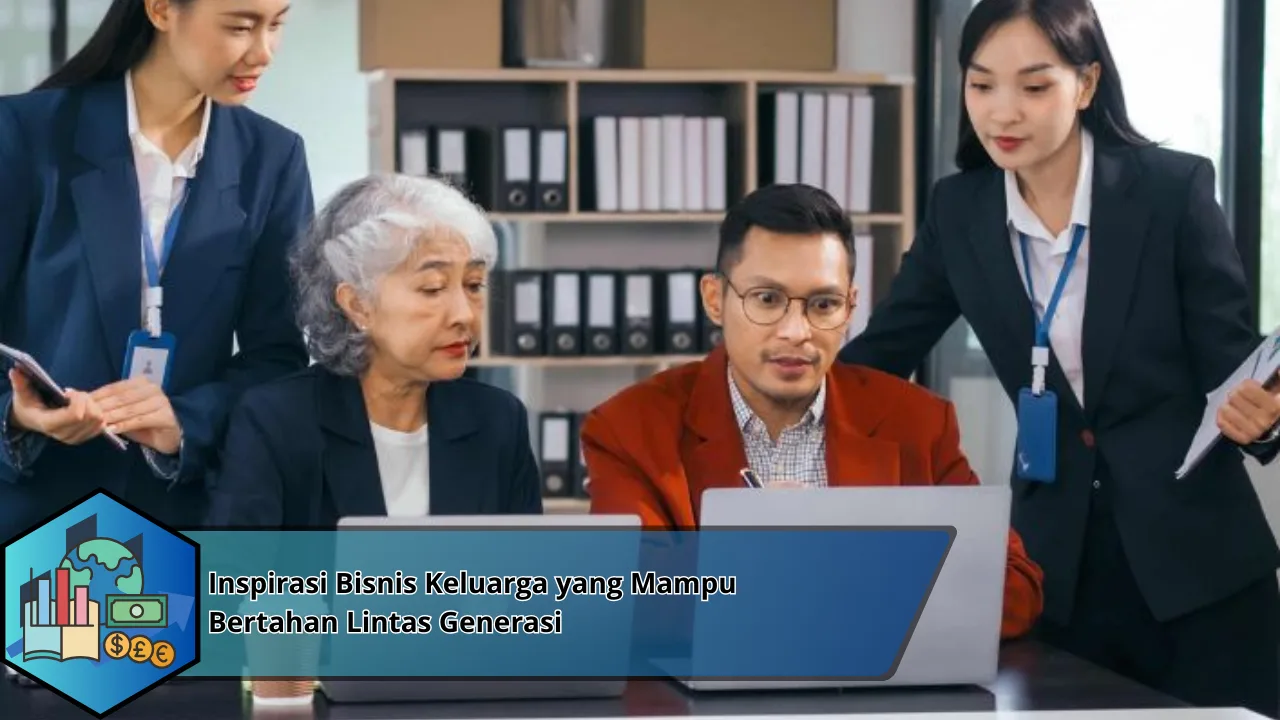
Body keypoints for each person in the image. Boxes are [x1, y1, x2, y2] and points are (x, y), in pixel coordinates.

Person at [839, 0, 1280, 714]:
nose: (1002, 111)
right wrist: (769, 403)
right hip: (1057, 571)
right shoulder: (961, 211)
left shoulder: (1170, 191)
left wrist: (1263, 414)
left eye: (1034, 86)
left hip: (1198, 567)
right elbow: (878, 358)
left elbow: (1232, 361)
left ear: (1087, 83)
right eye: (981, 84)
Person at [581, 183, 1044, 640]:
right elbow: (622, 597)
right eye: (767, 299)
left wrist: (833, 561)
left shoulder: (917, 422)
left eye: (823, 305)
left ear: (851, 307)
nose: (796, 332)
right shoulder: (630, 428)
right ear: (715, 299)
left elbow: (1015, 590)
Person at [0, 0, 311, 542]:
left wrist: (186, 421)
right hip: (31, 518)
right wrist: (17, 415)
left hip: (178, 519)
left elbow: (278, 359)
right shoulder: (26, 135)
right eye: (240, 26)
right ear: (162, 9)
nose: (263, 52)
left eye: (277, 24)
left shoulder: (272, 158)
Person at [206, 174, 542, 528]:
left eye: (473, 285)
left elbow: (525, 561)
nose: (464, 315)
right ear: (357, 304)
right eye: (433, 288)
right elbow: (238, 564)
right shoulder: (275, 422)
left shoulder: (499, 421)